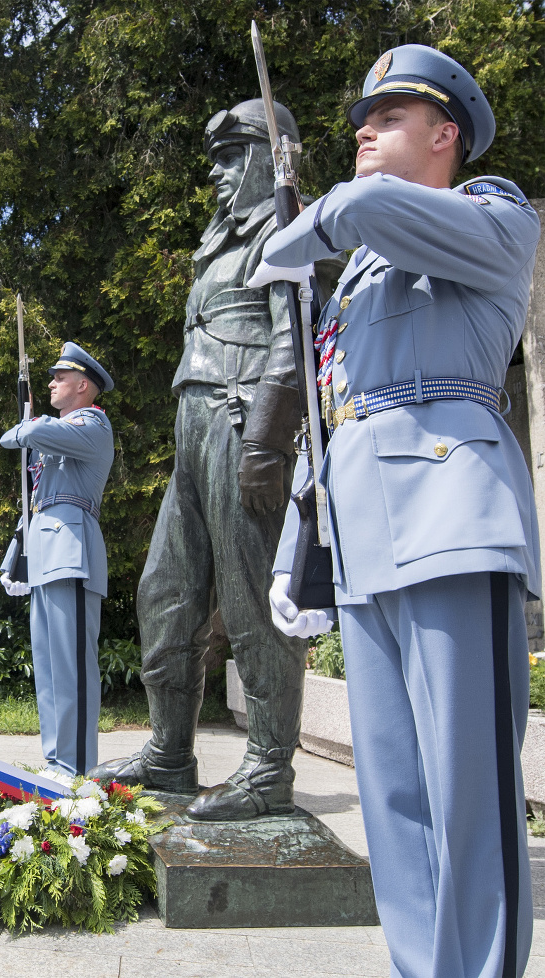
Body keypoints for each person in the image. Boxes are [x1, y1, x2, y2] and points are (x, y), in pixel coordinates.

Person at [253, 45, 540, 978]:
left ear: (445, 133)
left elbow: (364, 205)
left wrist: (306, 228)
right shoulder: (364, 271)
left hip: (453, 522)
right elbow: (334, 413)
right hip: (367, 537)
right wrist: (303, 545)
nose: (365, 131)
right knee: (397, 801)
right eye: (362, 121)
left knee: (469, 799)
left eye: (388, 118)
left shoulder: (491, 212)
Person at [90, 101, 340, 821]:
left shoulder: (297, 227)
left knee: (251, 598)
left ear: (274, 153)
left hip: (242, 423)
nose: (218, 169)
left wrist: (267, 436)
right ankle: (170, 756)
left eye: (234, 153)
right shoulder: (220, 240)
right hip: (194, 426)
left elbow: (295, 336)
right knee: (165, 592)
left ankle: (267, 769)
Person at [0, 342, 114, 777]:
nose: (51, 383)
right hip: (46, 553)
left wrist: (29, 420)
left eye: (59, 378)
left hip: (72, 554)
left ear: (83, 385)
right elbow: (12, 440)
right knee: (48, 670)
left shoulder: (92, 425)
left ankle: (76, 769)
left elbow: (24, 434)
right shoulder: (56, 432)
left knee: (72, 670)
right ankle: (54, 762)